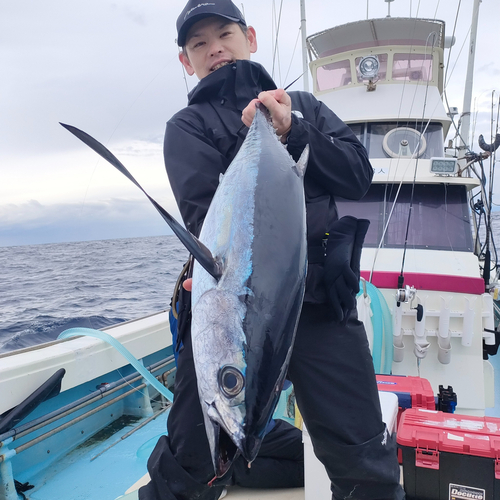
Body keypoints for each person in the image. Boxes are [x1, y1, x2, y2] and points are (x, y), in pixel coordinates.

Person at [139, 1, 405, 499]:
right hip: (237, 304)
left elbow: (358, 174)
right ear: (186, 61)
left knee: (363, 455)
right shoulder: (189, 127)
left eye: (224, 34)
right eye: (198, 44)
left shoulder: (304, 104)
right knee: (193, 456)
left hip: (324, 303)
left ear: (251, 37)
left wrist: (292, 128)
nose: (214, 48)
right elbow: (205, 219)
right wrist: (255, 134)